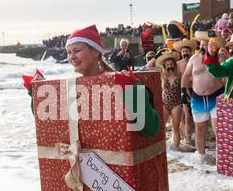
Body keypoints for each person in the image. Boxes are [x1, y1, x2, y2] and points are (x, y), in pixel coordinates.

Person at [23, 25, 160, 137]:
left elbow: (152, 129)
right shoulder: (71, 89)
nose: (71, 57)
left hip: (116, 168)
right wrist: (36, 94)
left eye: (76, 50)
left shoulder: (120, 81)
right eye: (69, 52)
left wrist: (132, 90)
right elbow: (49, 123)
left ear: (95, 52)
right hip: (84, 168)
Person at [181, 31, 226, 163]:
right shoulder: (193, 59)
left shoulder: (219, 57)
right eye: (202, 42)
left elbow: (226, 74)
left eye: (207, 42)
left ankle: (222, 159)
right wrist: (183, 91)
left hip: (216, 96)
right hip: (198, 98)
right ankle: (200, 157)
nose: (204, 44)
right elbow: (186, 76)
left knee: (219, 129)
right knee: (199, 130)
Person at [174, 39, 198, 147]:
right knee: (187, 116)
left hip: (197, 91)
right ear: (181, 53)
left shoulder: (195, 61)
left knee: (196, 116)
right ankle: (188, 139)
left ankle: (195, 136)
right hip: (184, 91)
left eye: (187, 51)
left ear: (191, 52)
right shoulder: (178, 64)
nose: (185, 53)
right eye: (183, 52)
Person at [156, 51, 183, 150]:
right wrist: (158, 56)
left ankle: (176, 149)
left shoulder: (180, 75)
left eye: (171, 64)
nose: (169, 66)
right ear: (164, 65)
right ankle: (161, 148)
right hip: (164, 102)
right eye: (167, 64)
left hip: (176, 103)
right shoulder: (162, 74)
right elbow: (149, 66)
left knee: (175, 128)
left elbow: (185, 88)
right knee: (161, 127)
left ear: (174, 64)